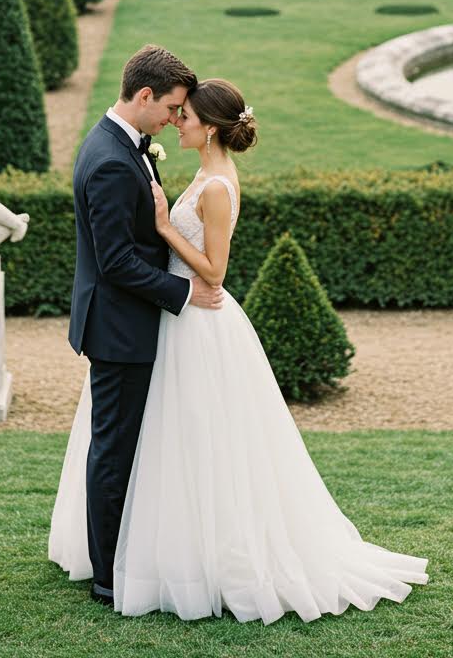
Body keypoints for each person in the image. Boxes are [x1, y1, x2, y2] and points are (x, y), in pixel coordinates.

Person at [50, 76, 429, 624]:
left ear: (209, 129)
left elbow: (215, 272)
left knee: (203, 444)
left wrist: (162, 226)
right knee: (171, 443)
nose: (176, 122)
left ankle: (191, 559)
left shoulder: (217, 185)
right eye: (174, 111)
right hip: (171, 318)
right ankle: (157, 554)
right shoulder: (198, 171)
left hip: (196, 321)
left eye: (185, 116)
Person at [59, 45, 224, 608]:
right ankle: (108, 575)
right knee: (114, 450)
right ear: (145, 96)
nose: (176, 120)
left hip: (126, 323)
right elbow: (117, 261)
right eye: (173, 109)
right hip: (120, 329)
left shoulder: (125, 146)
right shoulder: (109, 159)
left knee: (122, 445)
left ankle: (124, 556)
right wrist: (185, 291)